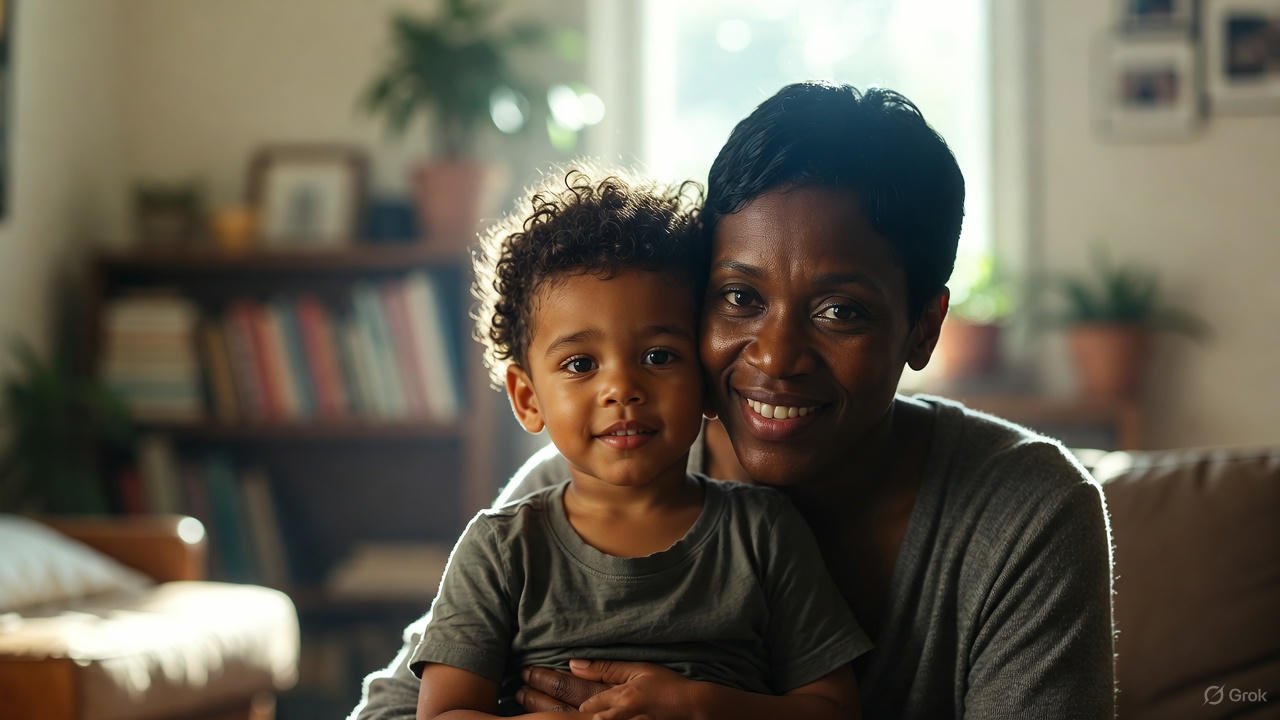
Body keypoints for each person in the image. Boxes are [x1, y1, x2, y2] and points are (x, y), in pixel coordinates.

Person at [352, 82, 1115, 720]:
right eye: (740, 297)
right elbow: (394, 709)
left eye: (840, 311)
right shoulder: (590, 480)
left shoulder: (1025, 513)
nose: (776, 357)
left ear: (923, 326)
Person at [412, 169, 871, 720]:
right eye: (581, 364)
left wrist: (702, 706)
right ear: (528, 398)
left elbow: (836, 710)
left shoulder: (764, 534)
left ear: (704, 379)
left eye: (659, 356)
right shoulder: (503, 550)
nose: (622, 389)